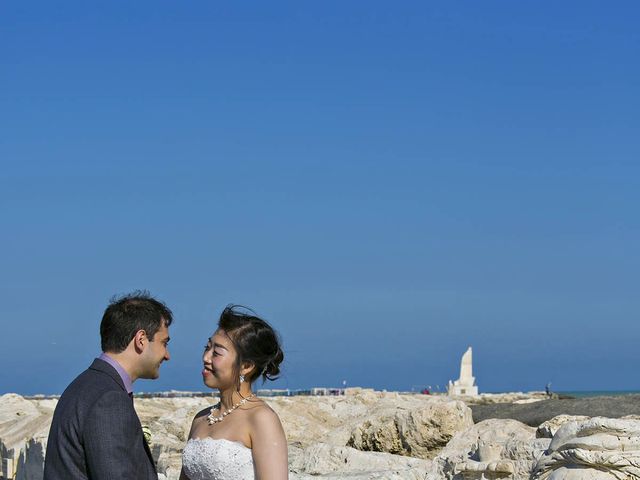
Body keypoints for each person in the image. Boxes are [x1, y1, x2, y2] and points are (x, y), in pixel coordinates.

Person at [44, 291, 173, 480]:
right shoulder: (109, 400)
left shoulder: (86, 385)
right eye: (164, 343)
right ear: (141, 339)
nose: (167, 355)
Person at [180, 305, 287, 480]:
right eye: (207, 348)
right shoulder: (200, 418)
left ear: (246, 366)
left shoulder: (261, 418)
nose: (205, 358)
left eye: (216, 353)